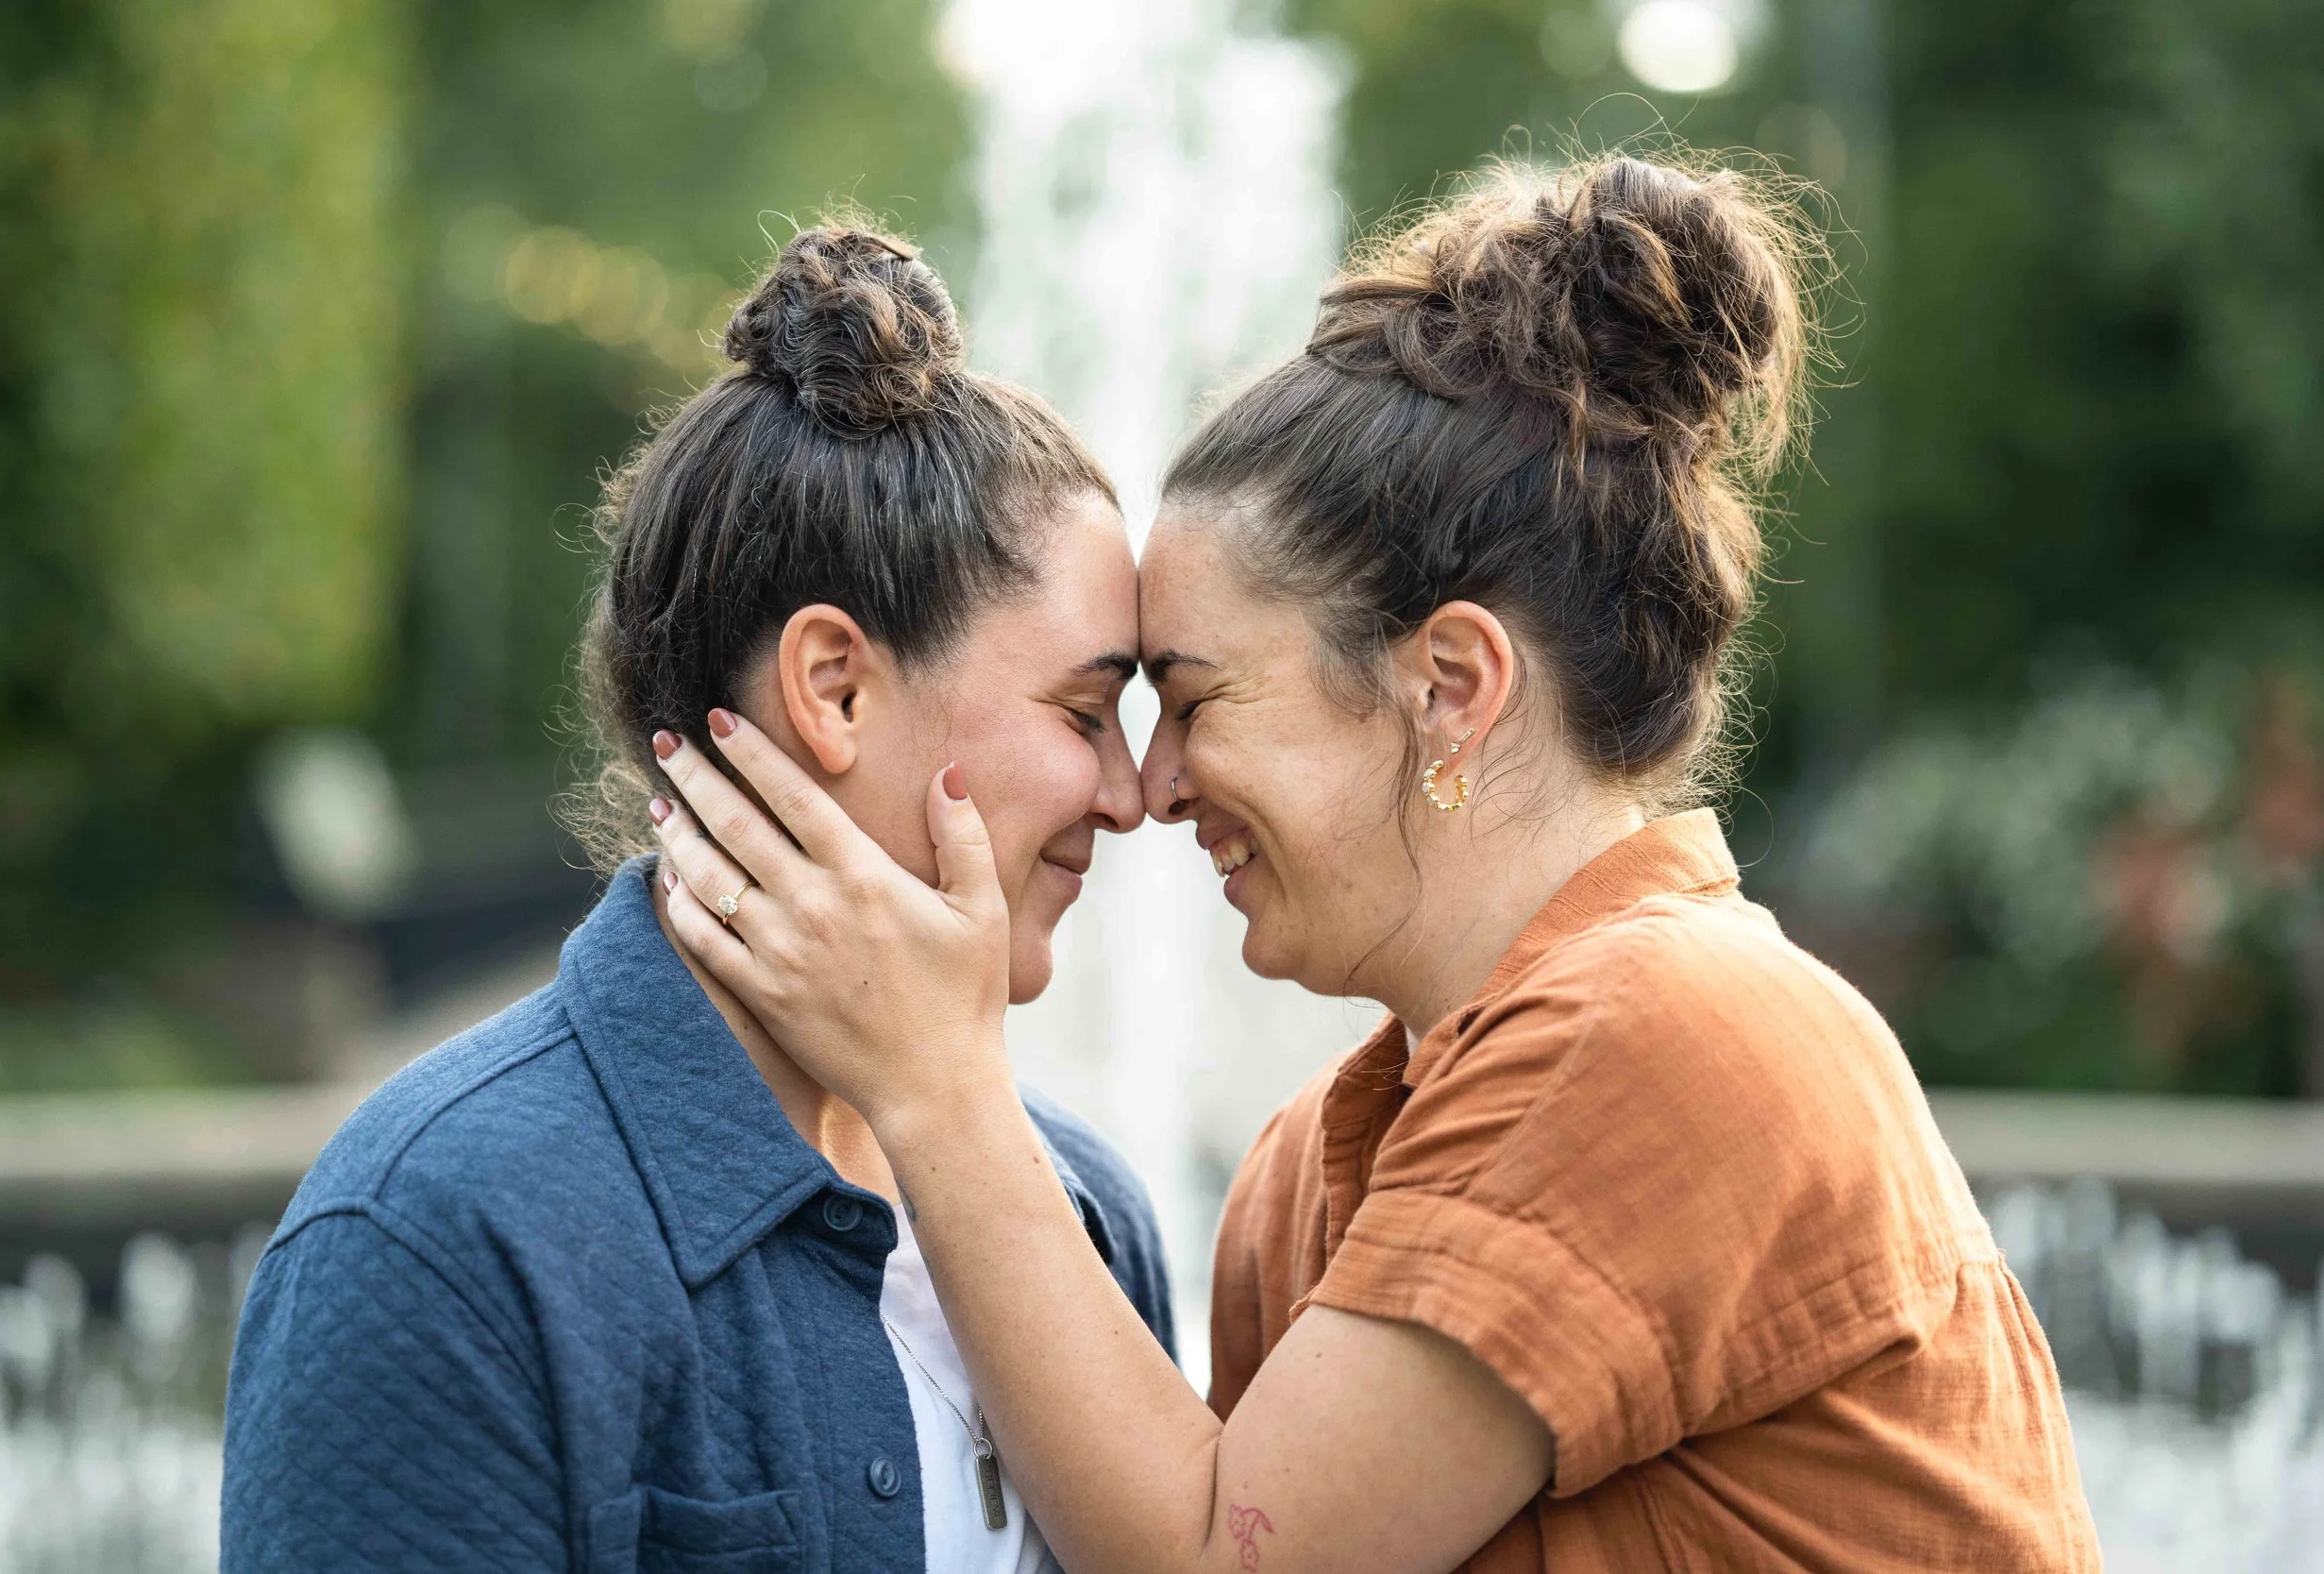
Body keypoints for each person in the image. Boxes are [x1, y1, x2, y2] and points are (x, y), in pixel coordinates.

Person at [649, 158, 2102, 1572]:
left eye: (1199, 701)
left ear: (1451, 685)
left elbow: (1220, 1554)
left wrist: (934, 1080)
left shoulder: (1672, 1027)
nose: (1151, 789)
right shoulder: (1309, 1172)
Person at [222, 222, 1175, 1574]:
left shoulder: (1090, 1217)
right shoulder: (440, 1237)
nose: (1129, 793)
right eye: (1085, 711)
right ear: (834, 686)